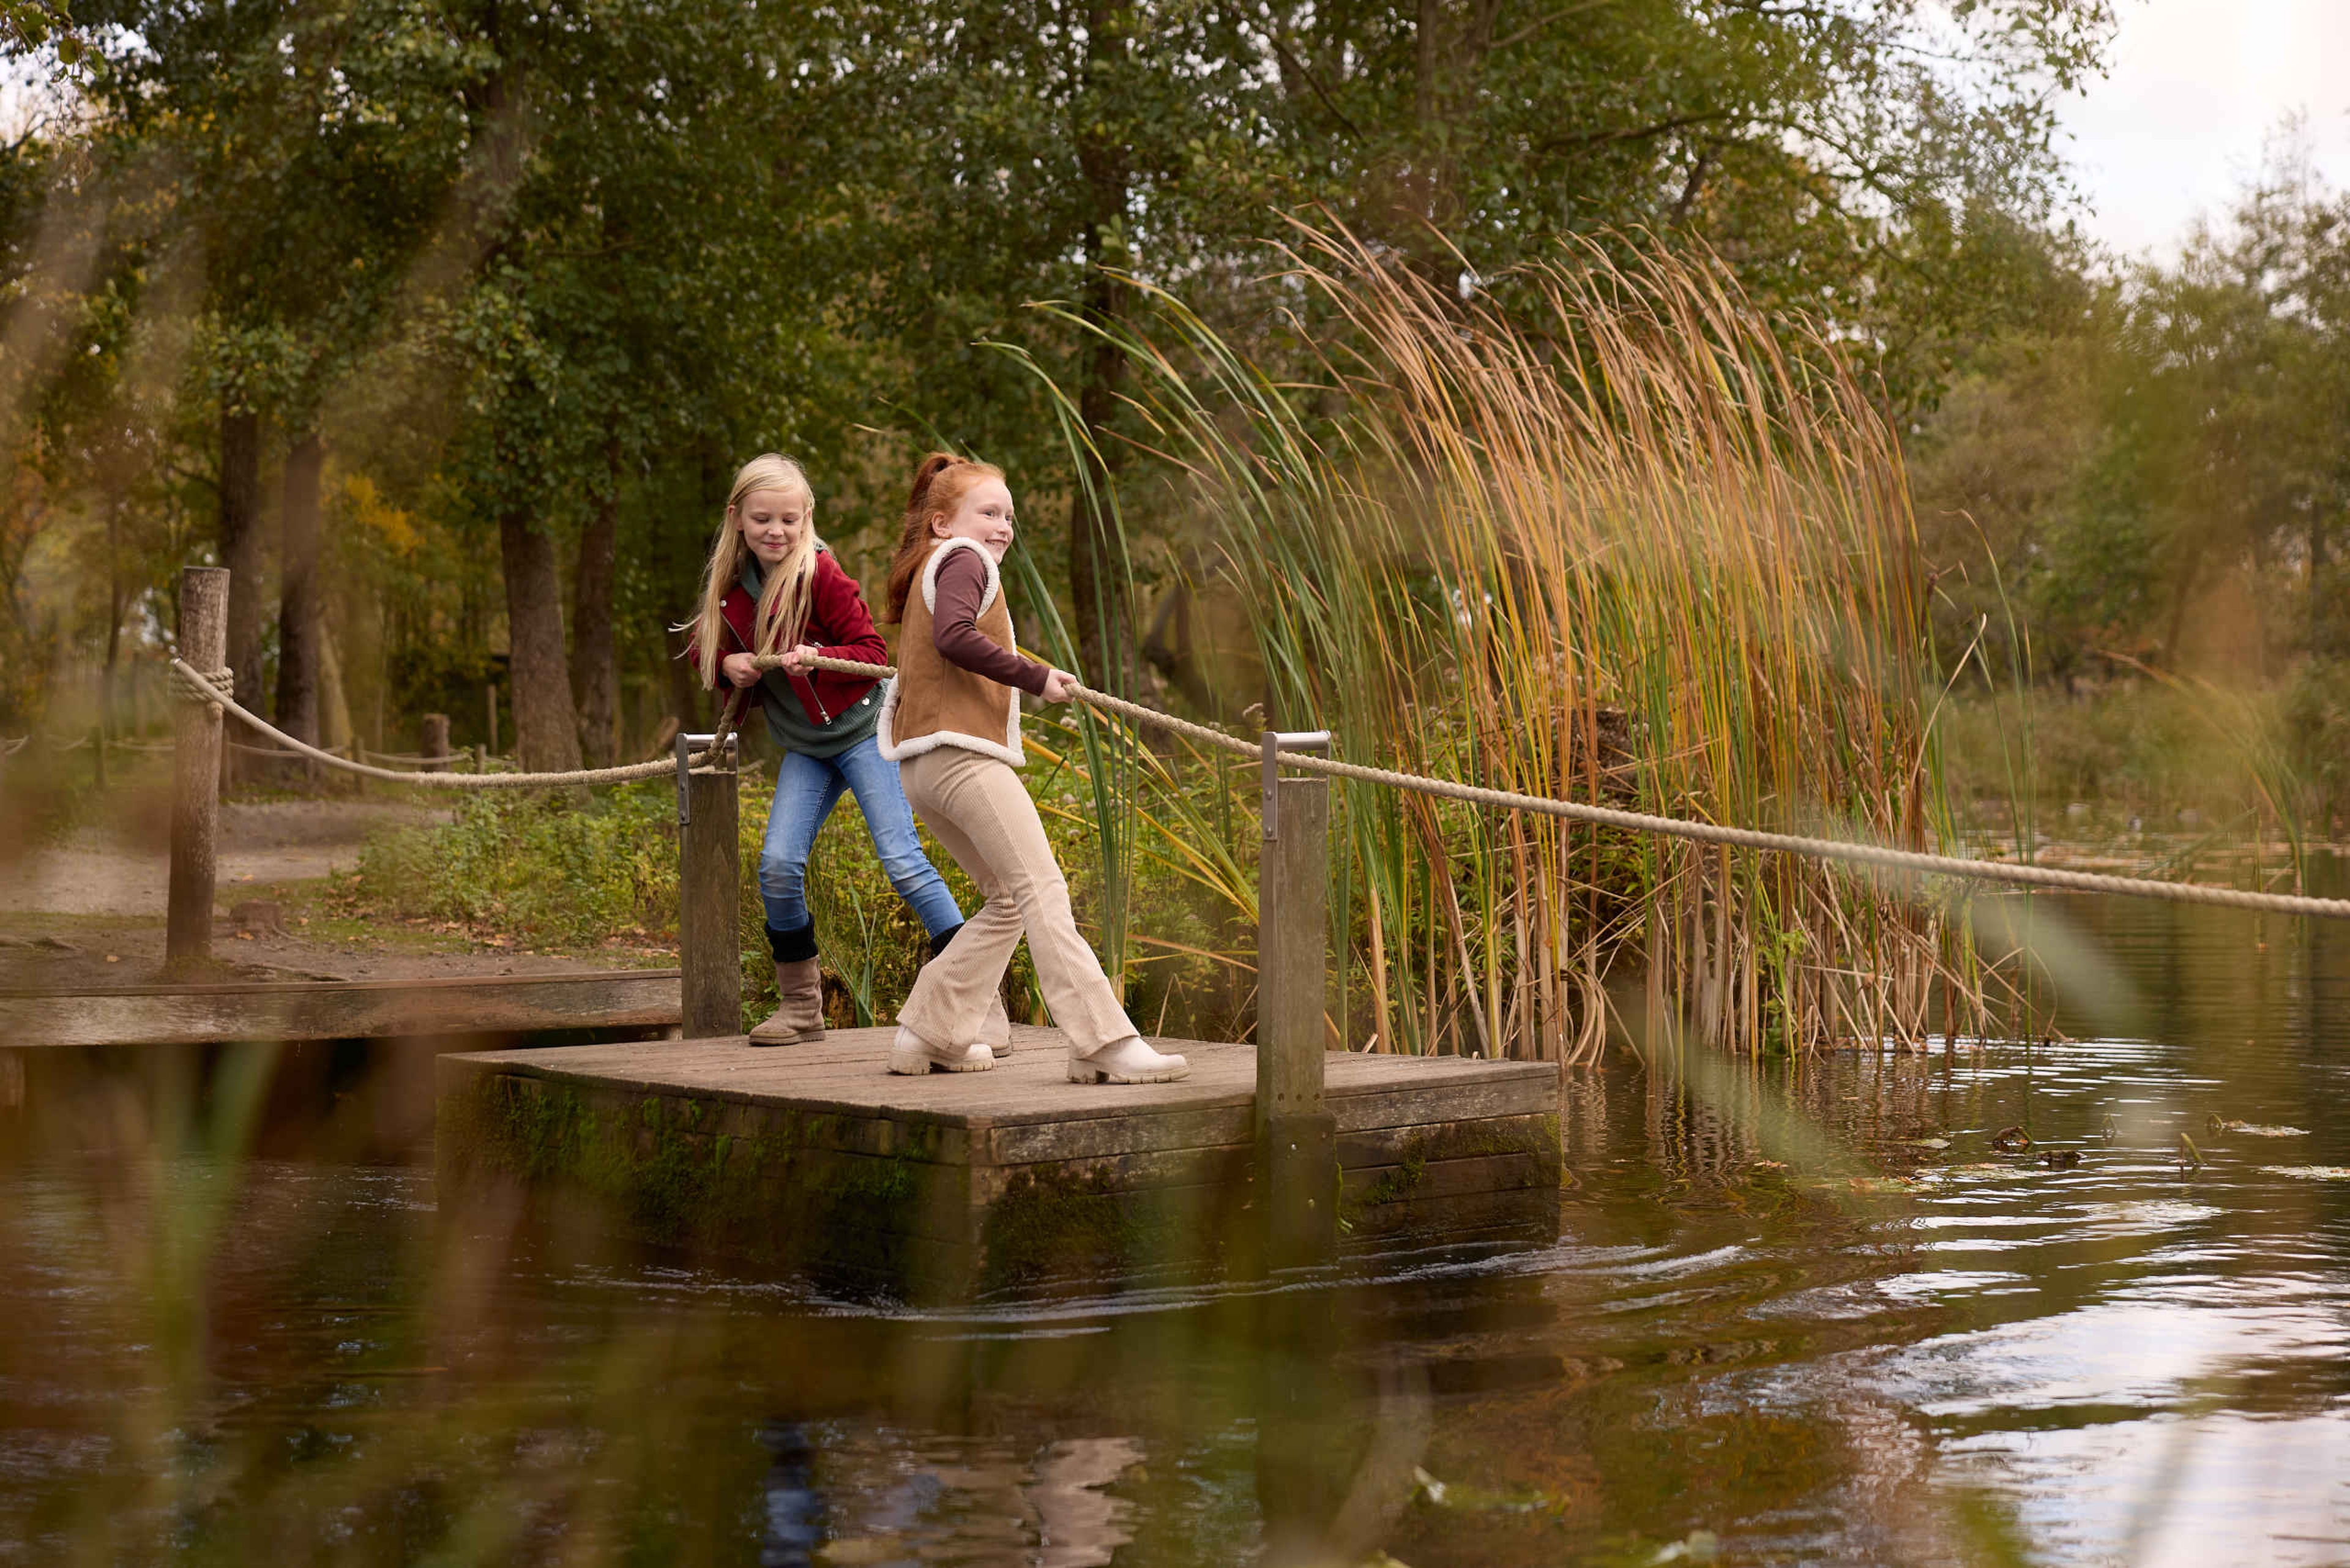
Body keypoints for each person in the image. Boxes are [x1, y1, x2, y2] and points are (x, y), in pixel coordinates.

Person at [876, 452, 1190, 1083]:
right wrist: (1036, 676)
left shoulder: (930, 569)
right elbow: (956, 638)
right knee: (1043, 892)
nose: (1003, 526)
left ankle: (928, 1032)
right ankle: (1102, 1042)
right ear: (942, 523)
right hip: (961, 759)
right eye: (988, 511)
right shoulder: (963, 559)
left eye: (1009, 516)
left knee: (1008, 900)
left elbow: (944, 642)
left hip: (922, 769)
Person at [685, 453, 1003, 1050]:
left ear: (805, 518)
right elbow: (705, 653)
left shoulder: (820, 574)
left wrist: (813, 653)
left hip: (863, 730)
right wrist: (724, 666)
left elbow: (873, 651)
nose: (775, 532)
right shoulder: (730, 592)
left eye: (787, 519)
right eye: (761, 520)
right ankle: (802, 1007)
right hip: (807, 746)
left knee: (903, 860)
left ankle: (977, 1002)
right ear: (738, 520)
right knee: (778, 866)